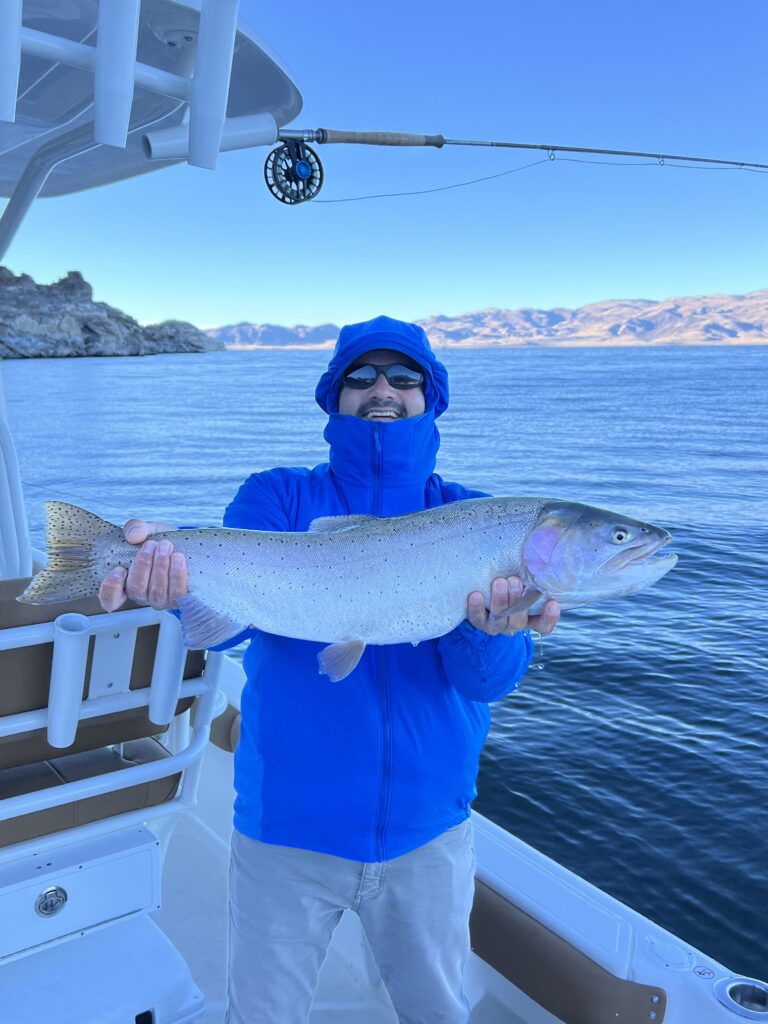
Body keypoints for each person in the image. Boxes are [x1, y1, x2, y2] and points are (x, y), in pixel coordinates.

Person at [99, 315, 560, 1024]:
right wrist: (166, 587)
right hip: (285, 827)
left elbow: (485, 683)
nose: (384, 390)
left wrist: (492, 631)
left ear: (430, 398)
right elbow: (226, 629)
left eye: (406, 378)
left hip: (429, 831)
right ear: (333, 395)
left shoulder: (473, 517)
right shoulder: (278, 496)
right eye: (363, 376)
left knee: (438, 1013)